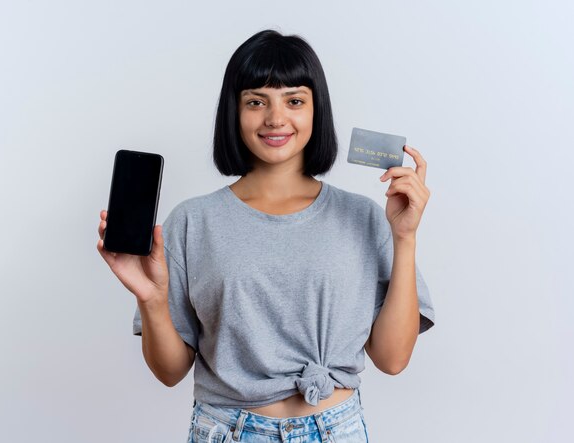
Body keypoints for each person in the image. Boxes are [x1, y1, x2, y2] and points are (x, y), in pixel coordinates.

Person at [97, 29, 435, 443]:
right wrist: (150, 299)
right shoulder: (192, 222)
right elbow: (169, 372)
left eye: (294, 101)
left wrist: (405, 237)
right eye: (256, 102)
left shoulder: (363, 217)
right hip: (227, 430)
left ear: (317, 110)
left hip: (336, 429)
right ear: (234, 113)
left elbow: (393, 358)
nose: (275, 118)